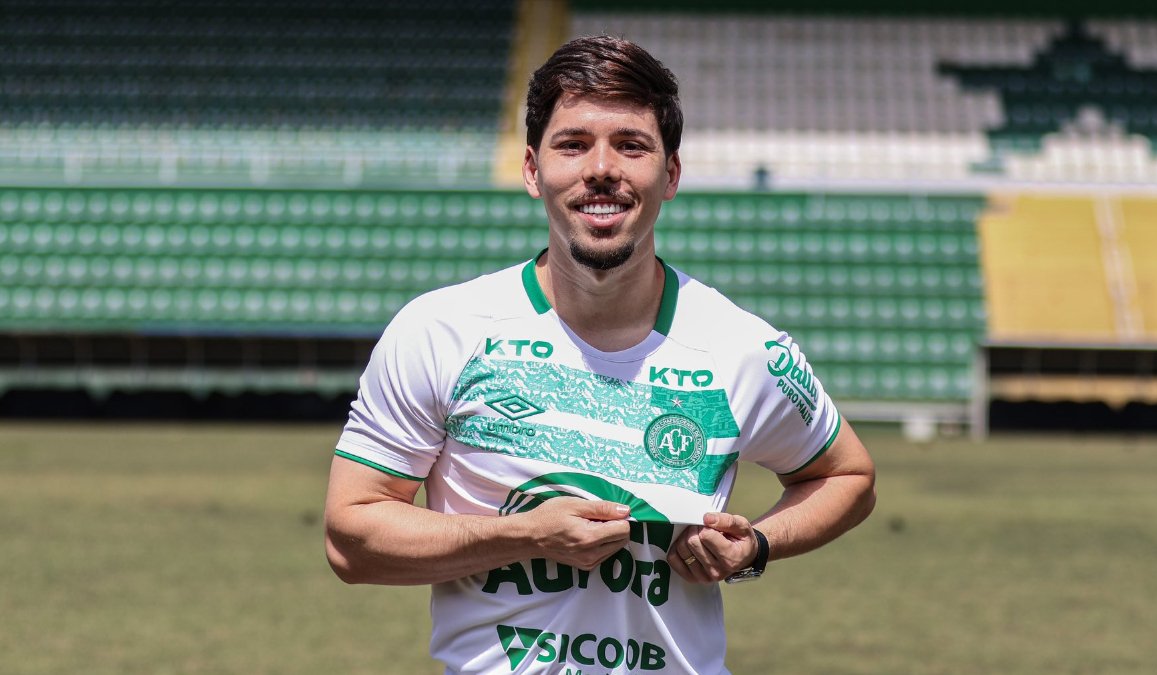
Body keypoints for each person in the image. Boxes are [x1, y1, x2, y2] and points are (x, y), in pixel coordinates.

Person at [324, 35, 876, 674]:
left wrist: (756, 546)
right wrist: (527, 536)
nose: (602, 169)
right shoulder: (441, 330)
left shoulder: (742, 347)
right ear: (533, 170)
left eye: (631, 145)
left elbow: (846, 476)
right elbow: (352, 540)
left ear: (670, 175)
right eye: (573, 144)